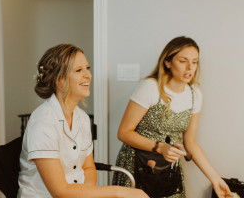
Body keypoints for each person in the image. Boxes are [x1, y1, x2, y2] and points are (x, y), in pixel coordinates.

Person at [18, 44, 148, 198]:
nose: (88, 75)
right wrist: (119, 191)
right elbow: (60, 191)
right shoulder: (43, 123)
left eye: (87, 68)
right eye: (79, 70)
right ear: (59, 80)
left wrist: (85, 193)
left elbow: (88, 168)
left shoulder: (83, 118)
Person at [112, 37, 232, 198]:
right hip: (137, 165)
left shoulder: (194, 94)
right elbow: (124, 133)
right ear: (168, 62)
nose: (190, 67)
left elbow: (190, 143)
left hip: (168, 170)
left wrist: (215, 179)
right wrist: (161, 148)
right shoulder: (150, 87)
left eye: (195, 62)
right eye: (183, 61)